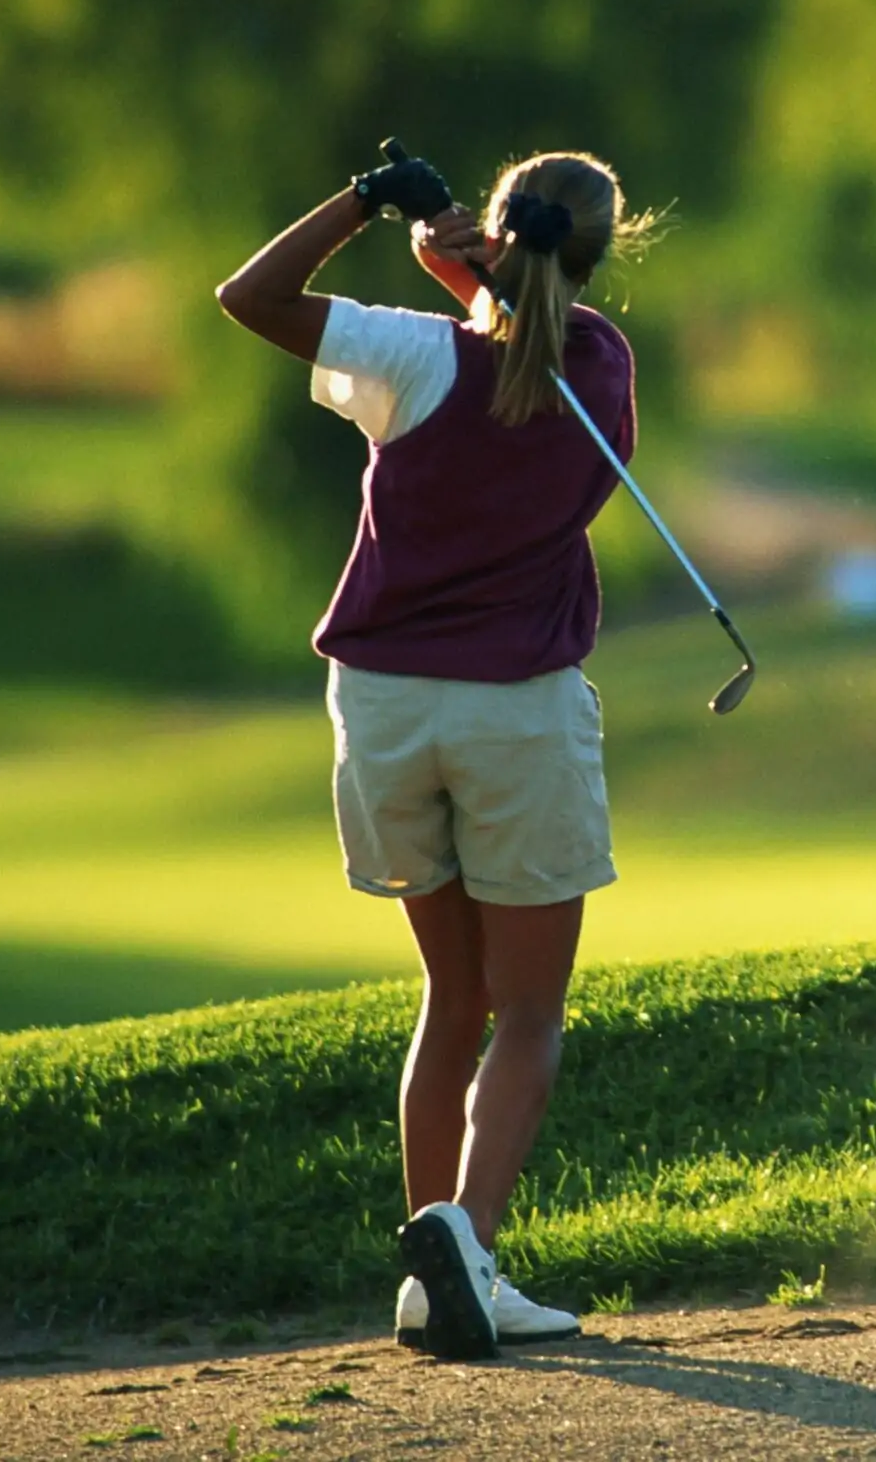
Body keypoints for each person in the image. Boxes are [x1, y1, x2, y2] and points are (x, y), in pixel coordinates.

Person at [214, 145, 654, 1361]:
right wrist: (472, 265)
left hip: (386, 707)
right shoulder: (601, 368)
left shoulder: (409, 351)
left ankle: (429, 1278)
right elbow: (519, 325)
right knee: (528, 1016)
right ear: (599, 251)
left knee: (451, 999)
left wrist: (370, 201)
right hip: (516, 713)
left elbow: (245, 298)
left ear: (495, 234)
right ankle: (469, 1252)